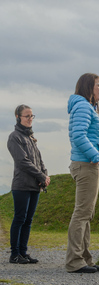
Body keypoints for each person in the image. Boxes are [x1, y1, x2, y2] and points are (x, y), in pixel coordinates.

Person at [66, 73, 99, 273]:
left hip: (87, 164)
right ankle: (74, 262)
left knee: (86, 214)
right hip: (85, 164)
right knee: (82, 214)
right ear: (88, 87)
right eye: (98, 85)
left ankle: (85, 259)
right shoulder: (83, 106)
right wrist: (95, 156)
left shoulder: (86, 107)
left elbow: (93, 136)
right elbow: (78, 135)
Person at [7, 104, 50, 264]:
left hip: (34, 185)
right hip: (21, 185)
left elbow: (38, 159)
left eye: (32, 116)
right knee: (19, 218)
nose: (30, 119)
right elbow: (22, 161)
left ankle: (23, 253)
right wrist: (40, 174)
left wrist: (45, 175)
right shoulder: (14, 137)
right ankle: (14, 254)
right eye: (27, 116)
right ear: (18, 117)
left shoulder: (30, 137)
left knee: (28, 220)